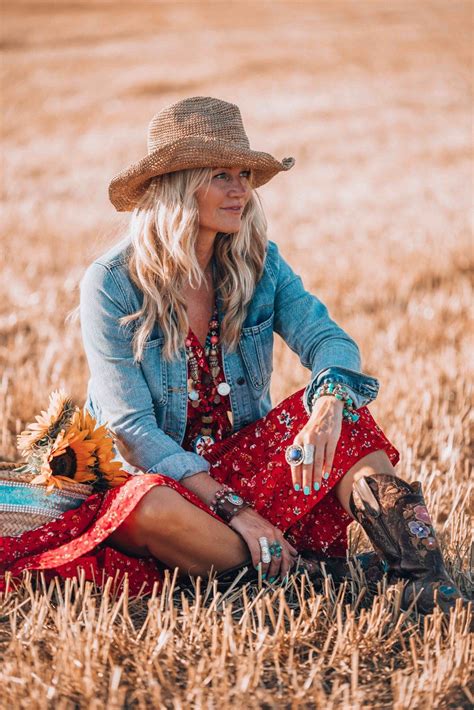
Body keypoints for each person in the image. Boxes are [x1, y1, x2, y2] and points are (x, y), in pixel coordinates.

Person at [2, 97, 467, 614]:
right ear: (178, 186)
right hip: (166, 483)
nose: (241, 189)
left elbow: (329, 341)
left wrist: (329, 406)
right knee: (147, 508)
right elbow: (132, 431)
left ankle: (424, 577)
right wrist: (236, 509)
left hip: (239, 463)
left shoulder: (259, 262)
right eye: (221, 174)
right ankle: (314, 577)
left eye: (244, 173)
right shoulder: (111, 283)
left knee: (347, 416)